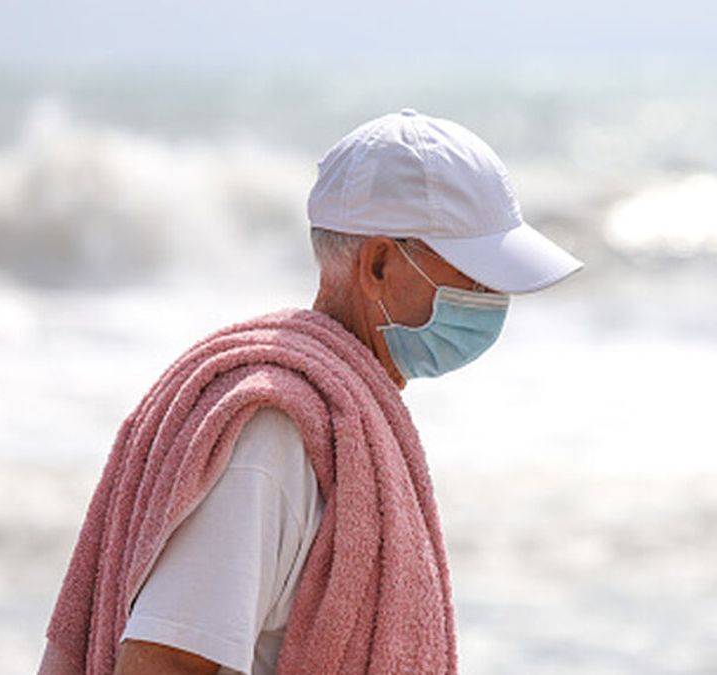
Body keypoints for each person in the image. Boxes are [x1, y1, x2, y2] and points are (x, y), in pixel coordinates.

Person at [37, 108, 582, 675]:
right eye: (477, 277)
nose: (494, 300)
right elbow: (160, 664)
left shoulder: (344, 426)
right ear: (377, 264)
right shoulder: (273, 437)